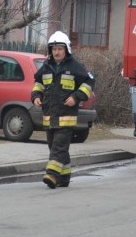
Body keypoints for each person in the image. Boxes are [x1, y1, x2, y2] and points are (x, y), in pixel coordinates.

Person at [31, 31, 95, 189]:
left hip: (66, 117)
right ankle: (64, 177)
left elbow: (89, 82)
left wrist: (76, 97)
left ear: (66, 49)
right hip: (49, 117)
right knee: (55, 147)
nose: (57, 52)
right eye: (54, 49)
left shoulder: (74, 67)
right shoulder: (46, 67)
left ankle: (52, 175)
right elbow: (38, 83)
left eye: (60, 48)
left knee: (58, 147)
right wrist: (36, 96)